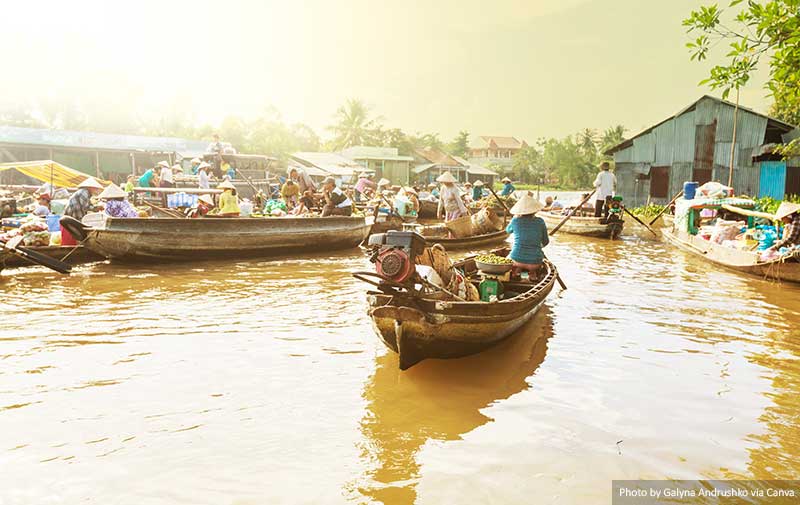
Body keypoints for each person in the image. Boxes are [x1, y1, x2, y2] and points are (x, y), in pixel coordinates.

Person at [505, 193, 549, 280]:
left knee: (509, 259)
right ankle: (532, 273)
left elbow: (508, 230)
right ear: (535, 210)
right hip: (535, 263)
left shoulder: (515, 220)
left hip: (516, 260)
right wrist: (537, 246)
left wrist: (515, 217)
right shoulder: (540, 221)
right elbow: (546, 242)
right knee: (532, 262)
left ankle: (518, 271)